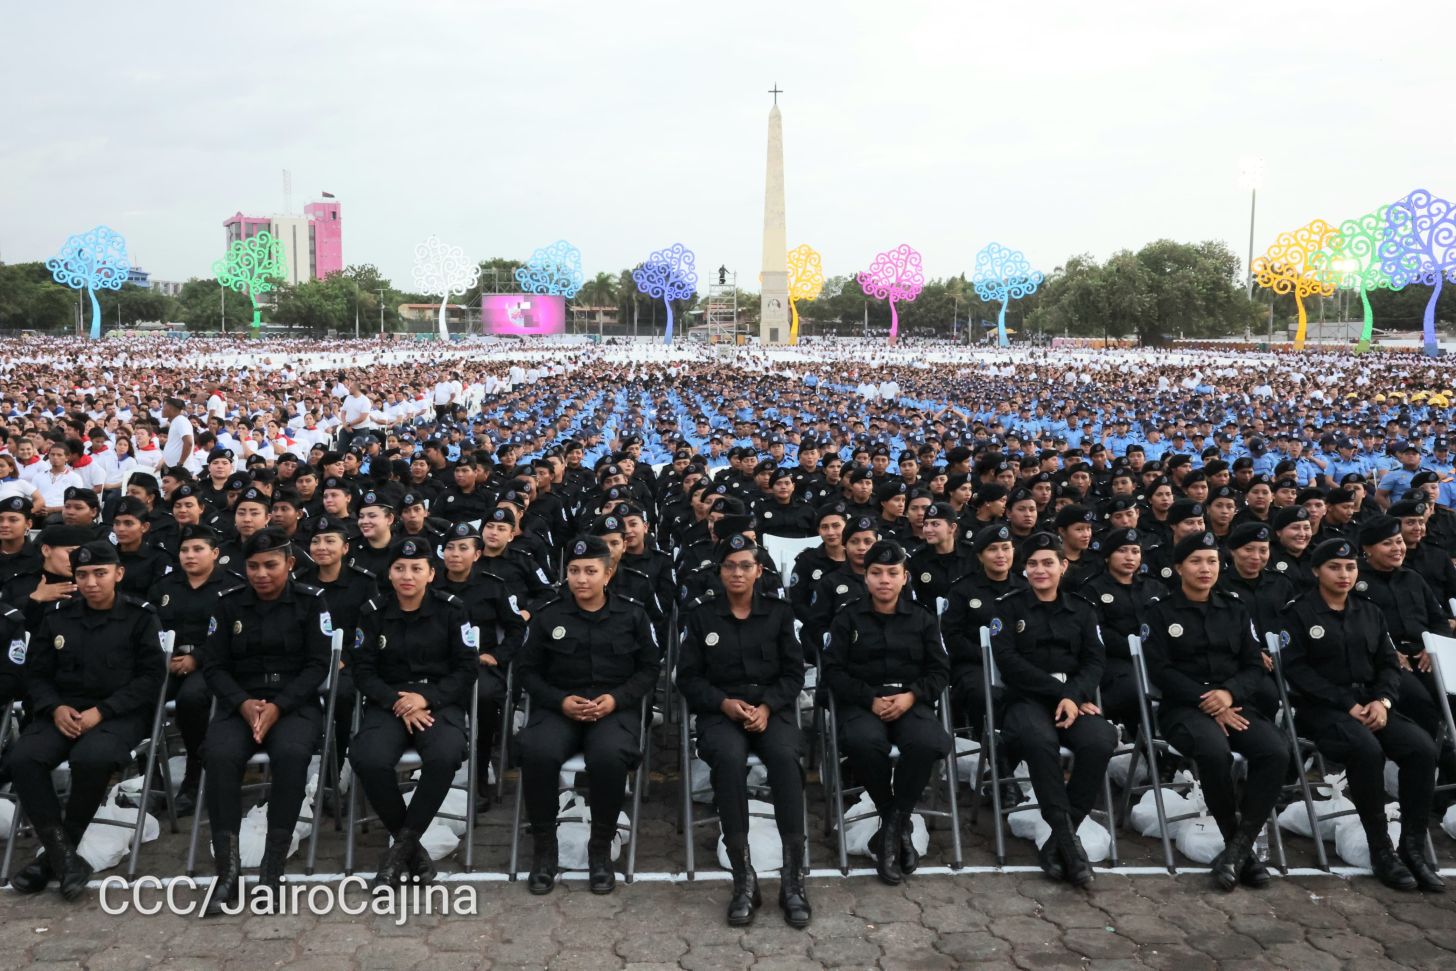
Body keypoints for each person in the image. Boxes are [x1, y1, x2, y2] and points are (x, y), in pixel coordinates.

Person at [1278, 538, 1443, 892]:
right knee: (1366, 751)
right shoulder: (1298, 613)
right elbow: (1298, 672)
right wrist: (1346, 704)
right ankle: (1381, 849)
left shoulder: (1369, 611)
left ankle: (1412, 848)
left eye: (1350, 567)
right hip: (1322, 709)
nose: (1344, 574)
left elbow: (1388, 664)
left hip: (1371, 704)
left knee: (1422, 749)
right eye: (1334, 567)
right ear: (1316, 571)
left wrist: (1383, 701)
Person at [4, 541, 165, 899]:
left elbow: (150, 678)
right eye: (83, 574)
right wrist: (55, 708)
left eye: (100, 573)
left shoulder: (140, 616)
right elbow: (37, 674)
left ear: (118, 574)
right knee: (23, 759)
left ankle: (50, 862)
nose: (91, 581)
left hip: (117, 714)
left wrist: (102, 712)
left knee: (90, 759)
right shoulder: (58, 616)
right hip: (62, 711)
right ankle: (65, 858)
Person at [1141, 531, 1288, 891]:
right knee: (1213, 751)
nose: (1205, 568)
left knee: (1276, 750)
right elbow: (1160, 670)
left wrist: (1227, 693)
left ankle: (1238, 850)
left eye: (1211, 561)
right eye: (1195, 561)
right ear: (1178, 568)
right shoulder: (1160, 612)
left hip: (1235, 702)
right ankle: (1237, 843)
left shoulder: (1234, 608)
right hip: (1184, 709)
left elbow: (1254, 664)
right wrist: (1209, 699)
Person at [677, 533, 810, 928]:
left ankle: (792, 880)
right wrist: (723, 704)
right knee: (729, 761)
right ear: (718, 572)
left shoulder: (779, 613)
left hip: (772, 710)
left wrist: (768, 707)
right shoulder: (701, 615)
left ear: (759, 572)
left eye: (745, 566)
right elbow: (688, 677)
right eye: (730, 566)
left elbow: (793, 672)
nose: (737, 572)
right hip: (722, 711)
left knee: (786, 759)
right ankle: (743, 879)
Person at [199, 528, 333, 914]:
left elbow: (317, 665)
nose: (261, 573)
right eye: (253, 566)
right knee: (220, 757)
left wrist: (279, 706)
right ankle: (228, 871)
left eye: (271, 565)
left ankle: (272, 870)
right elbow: (214, 665)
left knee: (291, 756)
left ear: (290, 565)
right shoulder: (228, 604)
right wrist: (242, 703)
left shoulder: (311, 603)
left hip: (294, 704)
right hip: (239, 704)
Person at [517, 536, 660, 895]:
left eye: (590, 571)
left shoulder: (632, 614)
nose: (581, 579)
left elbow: (648, 669)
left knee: (608, 757)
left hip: (613, 710)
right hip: (560, 707)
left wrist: (616, 699)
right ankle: (545, 851)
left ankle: (600, 850)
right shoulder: (549, 615)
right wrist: (560, 700)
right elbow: (528, 672)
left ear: (608, 574)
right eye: (574, 571)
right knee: (537, 751)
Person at [988, 531, 1116, 888]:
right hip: (1027, 699)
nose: (1040, 570)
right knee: (1038, 741)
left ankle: (1058, 841)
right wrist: (1064, 692)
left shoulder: (1083, 611)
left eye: (1048, 563)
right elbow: (1009, 663)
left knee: (1100, 739)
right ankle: (1071, 849)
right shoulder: (1008, 607)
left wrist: (1073, 696)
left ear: (1064, 566)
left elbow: (1095, 661)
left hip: (1073, 701)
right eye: (1032, 564)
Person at [347, 537, 477, 888]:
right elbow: (363, 671)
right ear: (389, 573)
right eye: (400, 568)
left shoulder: (452, 609)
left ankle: (399, 851)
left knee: (446, 754)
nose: (408, 575)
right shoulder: (372, 612)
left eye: (416, 568)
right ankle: (414, 852)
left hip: (436, 703)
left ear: (431, 574)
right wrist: (397, 702)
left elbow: (466, 670)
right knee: (369, 758)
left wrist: (426, 698)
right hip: (389, 703)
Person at [822, 539, 951, 886]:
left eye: (892, 573)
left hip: (910, 702)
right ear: (865, 578)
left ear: (905, 577)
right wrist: (868, 699)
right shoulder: (847, 618)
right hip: (864, 703)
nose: (884, 580)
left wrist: (912, 696)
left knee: (927, 743)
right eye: (876, 572)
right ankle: (898, 825)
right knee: (863, 742)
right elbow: (832, 671)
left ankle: (890, 829)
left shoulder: (923, 620)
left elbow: (940, 671)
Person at [147, 523, 233, 816]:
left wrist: (197, 658)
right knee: (141, 696)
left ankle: (196, 776)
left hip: (212, 663)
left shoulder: (231, 586)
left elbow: (233, 636)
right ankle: (153, 778)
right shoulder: (165, 587)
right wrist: (164, 657)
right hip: (167, 661)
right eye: (184, 550)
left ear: (215, 553)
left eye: (198, 549)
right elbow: (150, 627)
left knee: (192, 700)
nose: (190, 556)